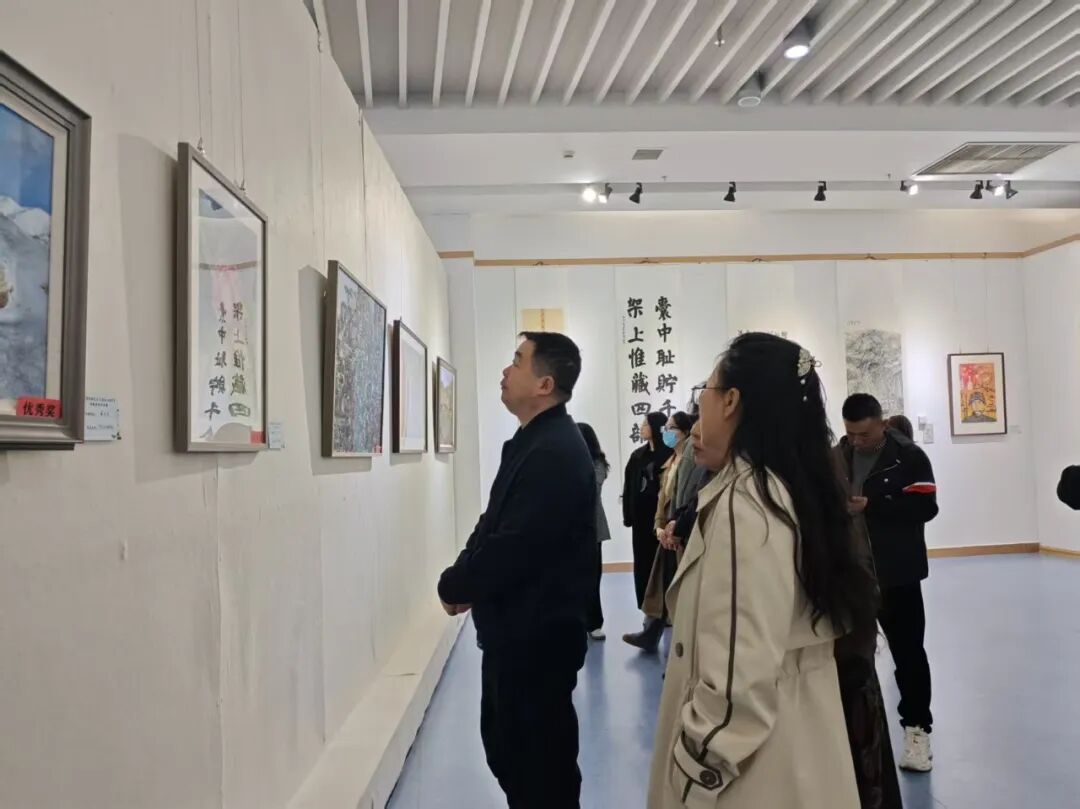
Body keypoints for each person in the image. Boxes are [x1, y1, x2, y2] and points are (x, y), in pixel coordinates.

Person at [649, 333, 876, 809]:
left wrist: (693, 774)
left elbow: (739, 678)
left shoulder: (747, 502)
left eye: (705, 391)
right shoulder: (791, 486)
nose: (698, 411)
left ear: (731, 401)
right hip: (802, 744)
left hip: (755, 774)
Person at [437, 332, 595, 808]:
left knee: (538, 771)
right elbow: (493, 522)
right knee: (512, 754)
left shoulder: (554, 452)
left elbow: (514, 545)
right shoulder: (532, 441)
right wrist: (462, 576)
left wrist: (457, 584)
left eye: (517, 361)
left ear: (544, 384)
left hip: (538, 640)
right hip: (518, 636)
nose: (506, 371)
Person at [839, 393, 939, 773]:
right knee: (850, 658)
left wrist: (873, 506)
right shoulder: (839, 456)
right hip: (853, 576)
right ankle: (854, 738)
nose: (856, 441)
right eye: (851, 433)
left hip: (897, 574)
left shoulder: (908, 457)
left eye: (864, 434)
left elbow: (926, 507)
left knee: (908, 655)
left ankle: (917, 731)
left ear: (881, 424)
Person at [625, 411, 694, 652]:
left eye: (671, 428)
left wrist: (676, 526)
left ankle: (674, 644)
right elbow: (661, 498)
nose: (667, 432)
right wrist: (658, 525)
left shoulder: (690, 461)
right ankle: (651, 633)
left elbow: (687, 498)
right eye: (666, 428)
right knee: (659, 582)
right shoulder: (669, 462)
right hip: (663, 530)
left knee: (677, 588)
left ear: (685, 432)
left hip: (679, 531)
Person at [622, 411, 673, 612]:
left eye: (645, 424)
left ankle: (665, 607)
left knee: (663, 562)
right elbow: (629, 488)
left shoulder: (669, 455)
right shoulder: (637, 456)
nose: (642, 428)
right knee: (643, 562)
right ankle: (646, 607)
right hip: (641, 518)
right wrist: (628, 515)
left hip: (663, 518)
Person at [578, 422, 612, 641]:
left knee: (592, 577)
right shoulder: (567, 460)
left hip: (592, 529)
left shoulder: (597, 462)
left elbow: (592, 488)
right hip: (569, 530)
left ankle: (594, 623)